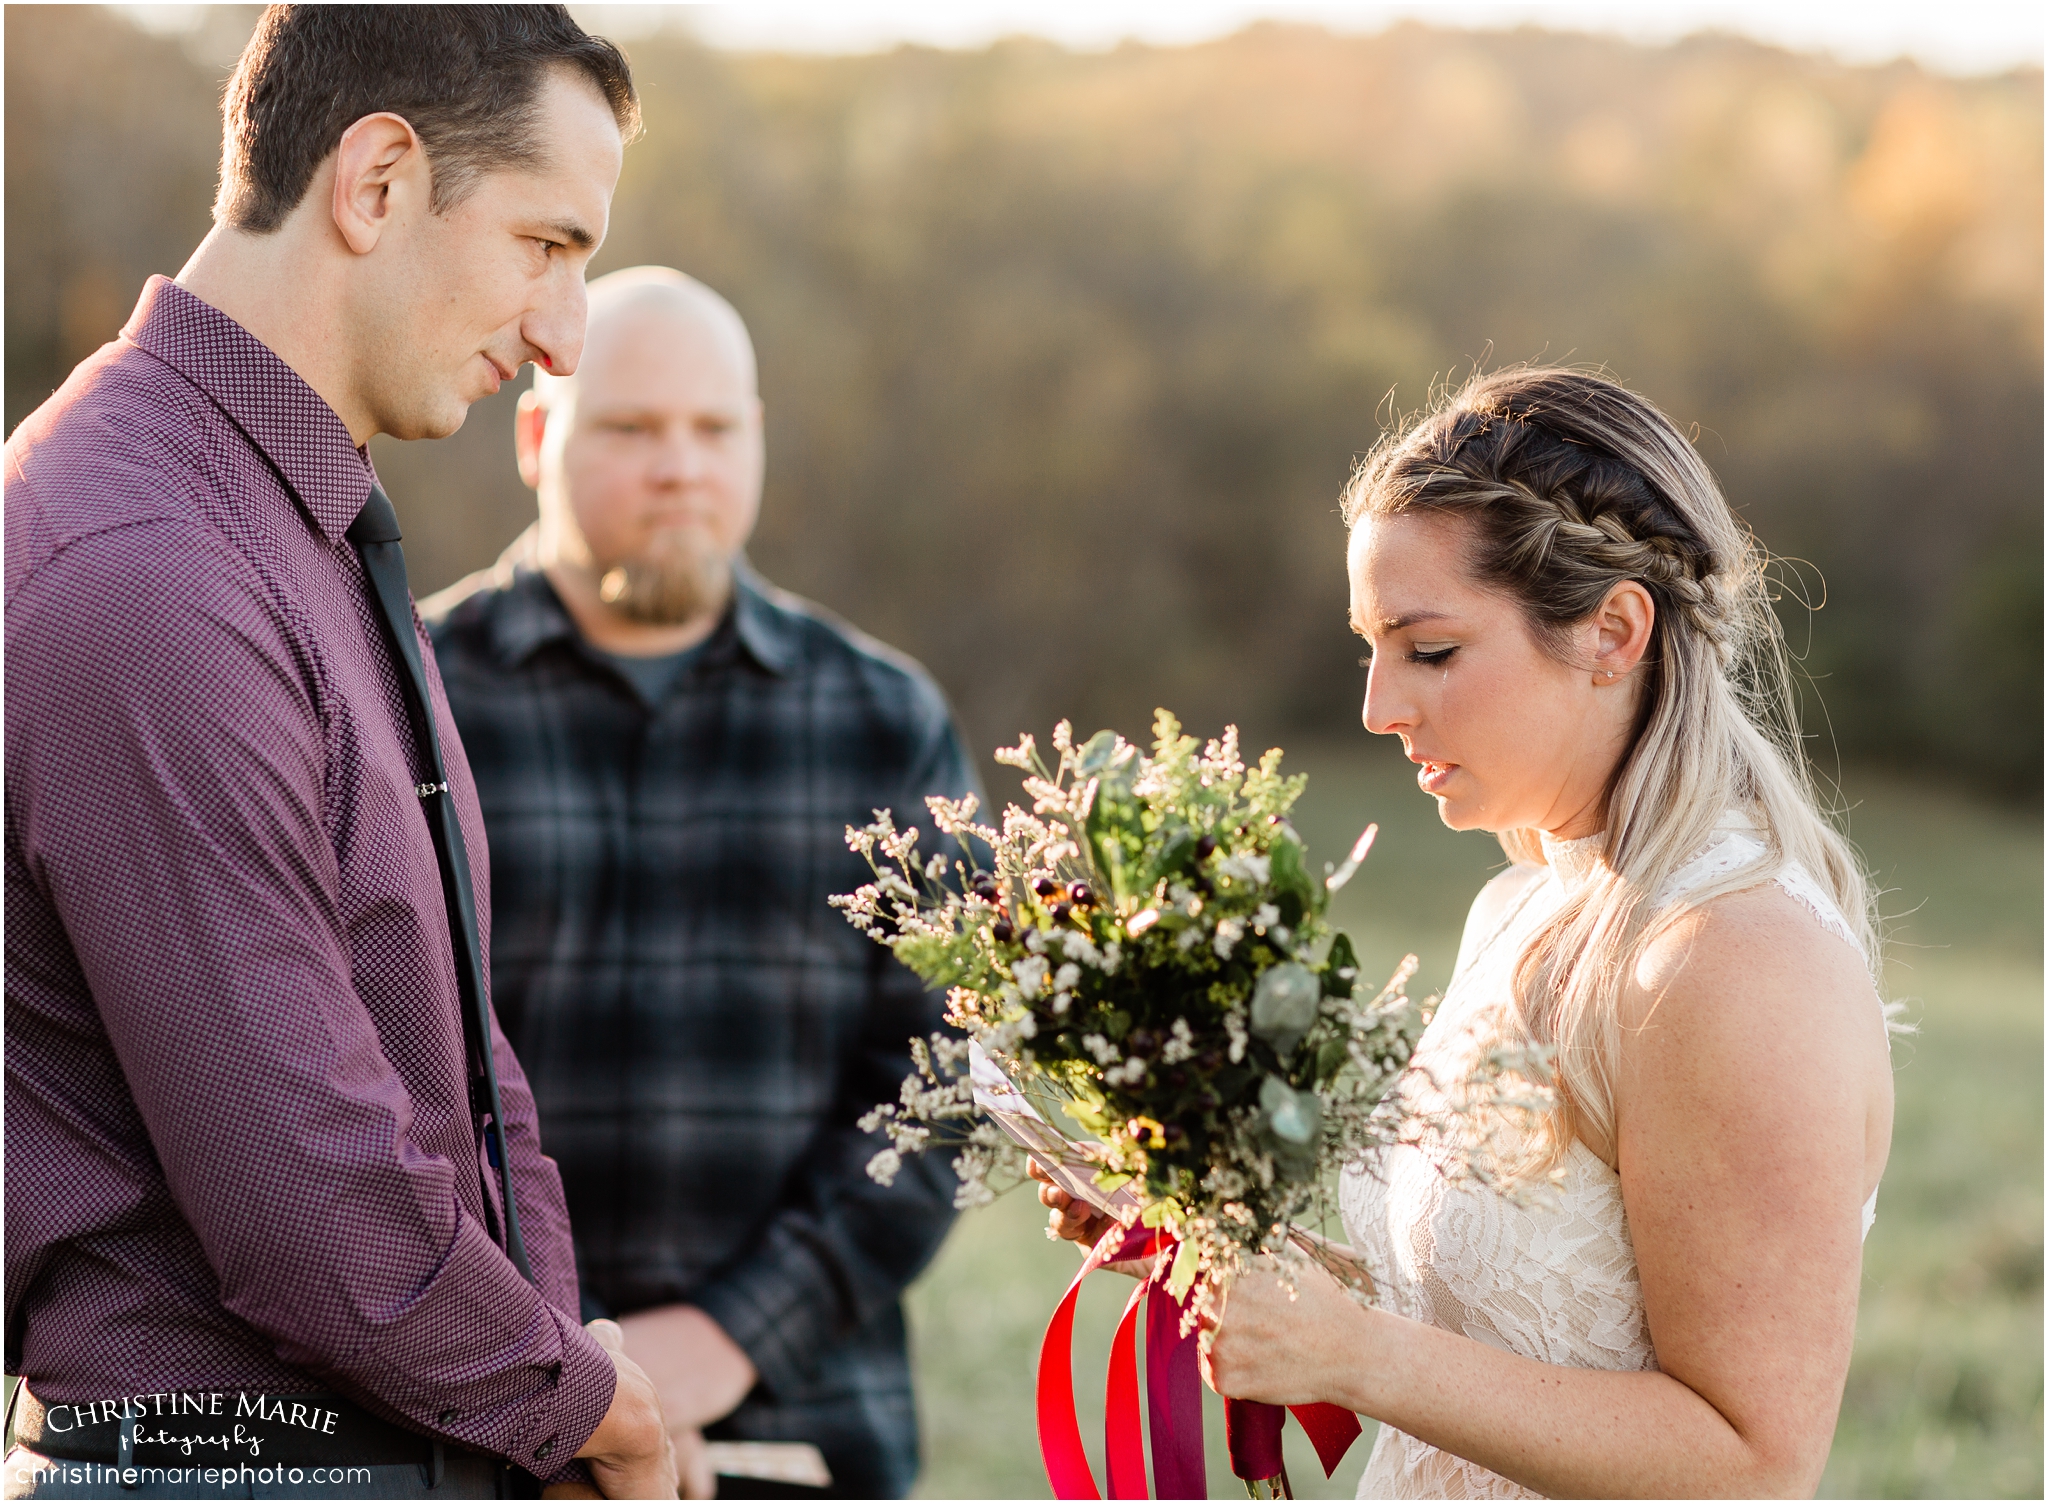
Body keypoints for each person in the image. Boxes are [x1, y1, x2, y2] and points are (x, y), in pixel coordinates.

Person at [5, 9, 676, 1499]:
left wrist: (552, 1371)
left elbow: (445, 1040)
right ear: (376, 182)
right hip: (235, 1470)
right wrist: (588, 1409)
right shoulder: (146, 566)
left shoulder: (283, 514)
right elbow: (305, 1189)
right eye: (546, 246)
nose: (566, 334)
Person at [1040, 367, 1896, 1497]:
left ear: (1611, 629)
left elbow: (1750, 1456)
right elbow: (1496, 1322)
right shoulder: (1523, 905)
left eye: (1428, 650)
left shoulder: (1737, 960)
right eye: (1369, 649)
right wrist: (1211, 1241)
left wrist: (1355, 1357)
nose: (1377, 707)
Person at [422, 267, 978, 1500]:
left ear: (756, 441)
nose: (679, 465)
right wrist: (561, 1371)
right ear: (535, 436)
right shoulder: (400, 701)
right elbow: (360, 1091)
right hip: (478, 1432)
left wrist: (727, 1336)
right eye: (628, 427)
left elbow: (945, 1083)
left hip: (805, 1429)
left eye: (713, 429)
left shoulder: (882, 719)